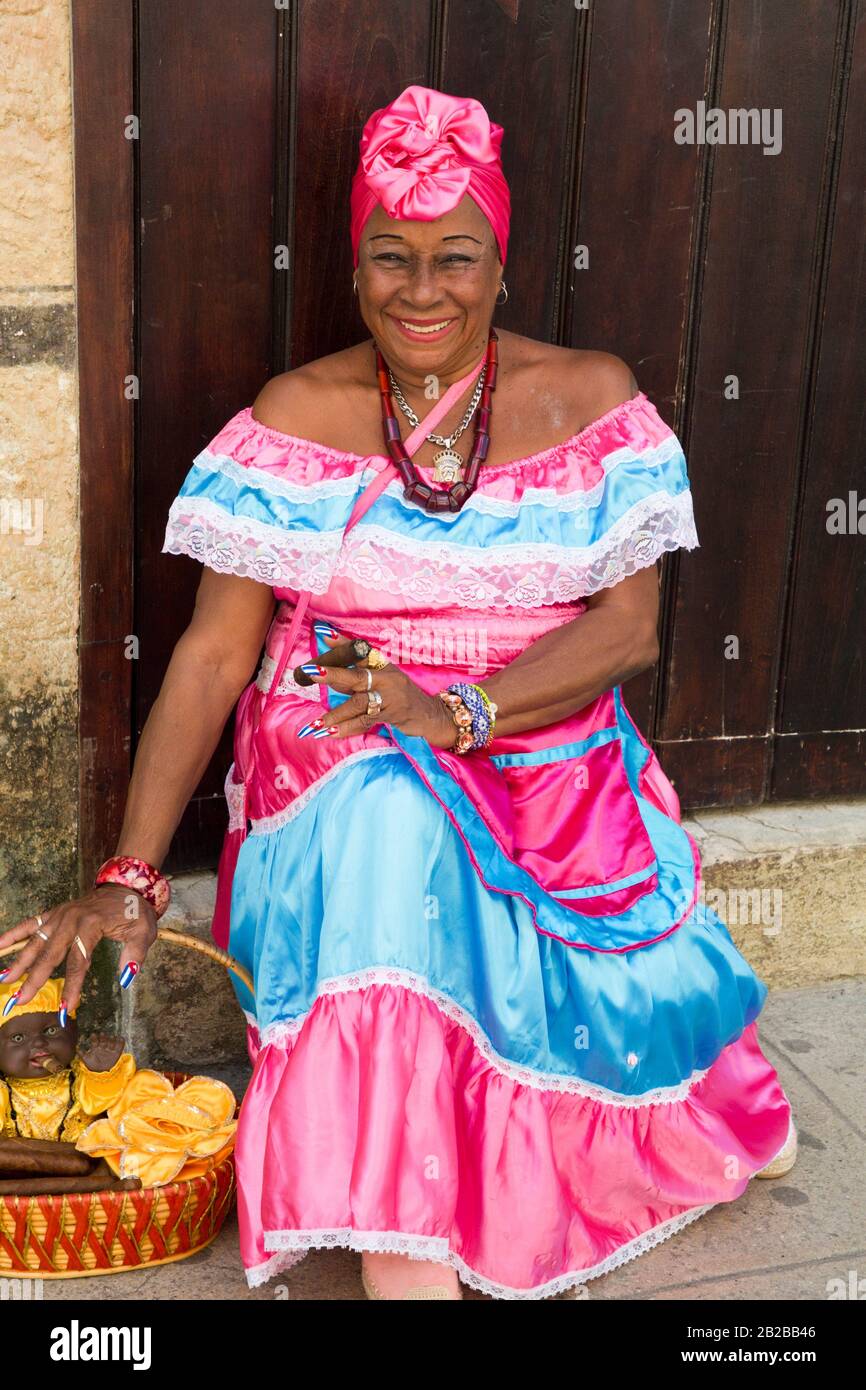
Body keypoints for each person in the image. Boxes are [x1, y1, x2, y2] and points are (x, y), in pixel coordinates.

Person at [0, 85, 794, 1301]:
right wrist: (131, 867)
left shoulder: (588, 402)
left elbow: (629, 629)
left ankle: (528, 1159)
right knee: (389, 806)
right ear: (355, 262)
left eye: (452, 258)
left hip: (548, 770)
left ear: (501, 263)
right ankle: (402, 1244)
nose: (421, 290)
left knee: (717, 1113)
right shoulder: (294, 419)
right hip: (341, 765)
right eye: (390, 256)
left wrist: (459, 712)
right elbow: (216, 653)